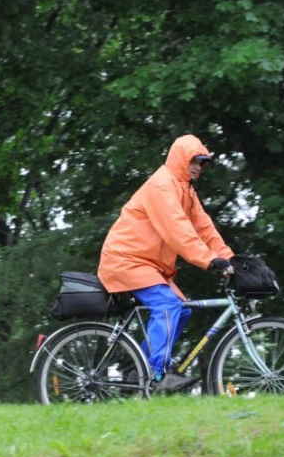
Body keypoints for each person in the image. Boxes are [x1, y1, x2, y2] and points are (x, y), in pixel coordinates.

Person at [98, 134, 235, 393]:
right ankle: (158, 374)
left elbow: (205, 229)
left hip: (147, 264)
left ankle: (140, 369)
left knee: (181, 310)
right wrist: (209, 260)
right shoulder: (162, 185)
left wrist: (230, 259)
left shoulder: (186, 191)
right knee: (168, 305)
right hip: (126, 259)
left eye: (202, 163)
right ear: (181, 159)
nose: (198, 167)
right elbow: (178, 230)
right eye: (194, 161)